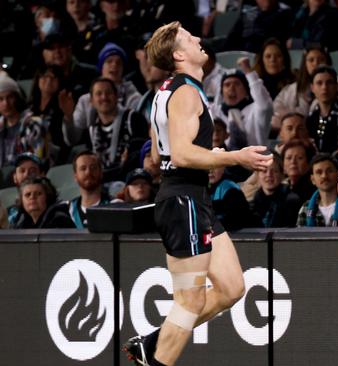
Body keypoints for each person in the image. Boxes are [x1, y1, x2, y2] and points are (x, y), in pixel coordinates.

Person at [123, 22, 272, 366]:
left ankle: (152, 343)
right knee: (188, 301)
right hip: (182, 202)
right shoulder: (186, 92)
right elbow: (181, 155)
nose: (199, 40)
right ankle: (157, 357)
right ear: (178, 55)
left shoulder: (167, 91)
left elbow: (159, 154)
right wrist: (234, 156)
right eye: (190, 39)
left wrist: (209, 150)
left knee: (233, 287)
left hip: (192, 200)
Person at [271, 45, 338, 134]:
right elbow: (275, 112)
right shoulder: (291, 89)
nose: (315, 63)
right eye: (311, 60)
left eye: (321, 59)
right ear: (305, 63)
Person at [211, 62, 274, 151]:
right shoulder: (214, 111)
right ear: (221, 92)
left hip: (256, 162)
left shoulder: (256, 109)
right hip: (222, 161)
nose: (231, 88)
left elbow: (265, 105)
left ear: (246, 90)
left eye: (237, 84)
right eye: (227, 85)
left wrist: (249, 73)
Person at [0, 75, 48, 167]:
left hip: (29, 175)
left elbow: (39, 160)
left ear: (18, 98)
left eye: (10, 97)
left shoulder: (34, 124)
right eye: (0, 99)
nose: (5, 103)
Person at [251, 152, 302, 227]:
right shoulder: (252, 204)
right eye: (264, 171)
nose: (269, 175)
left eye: (274, 171)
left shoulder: (292, 201)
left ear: (282, 175)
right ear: (258, 175)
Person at [306, 65, 338, 154]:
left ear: (336, 86)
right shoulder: (310, 118)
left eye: (329, 82)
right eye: (319, 83)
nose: (324, 87)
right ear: (312, 88)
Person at [67, 150, 111, 229]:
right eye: (83, 168)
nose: (88, 172)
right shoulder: (68, 210)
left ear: (101, 173)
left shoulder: (115, 206)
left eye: (93, 167)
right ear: (75, 176)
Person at [10, 176, 75, 229]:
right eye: (28, 194)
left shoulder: (60, 220)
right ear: (21, 200)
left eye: (38, 194)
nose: (32, 197)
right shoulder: (19, 223)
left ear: (48, 197)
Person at [296, 154, 338, 227]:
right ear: (312, 179)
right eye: (319, 172)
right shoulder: (305, 208)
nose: (324, 176)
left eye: (329, 171)